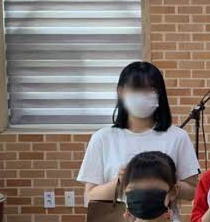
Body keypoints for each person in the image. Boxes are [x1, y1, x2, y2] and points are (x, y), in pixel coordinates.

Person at [78, 61, 199, 207]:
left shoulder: (178, 136)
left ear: (159, 94)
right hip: (118, 221)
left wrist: (165, 180)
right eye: (136, 88)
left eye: (150, 89)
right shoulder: (102, 138)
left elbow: (193, 191)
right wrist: (120, 181)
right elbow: (90, 195)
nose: (143, 94)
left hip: (164, 220)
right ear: (121, 92)